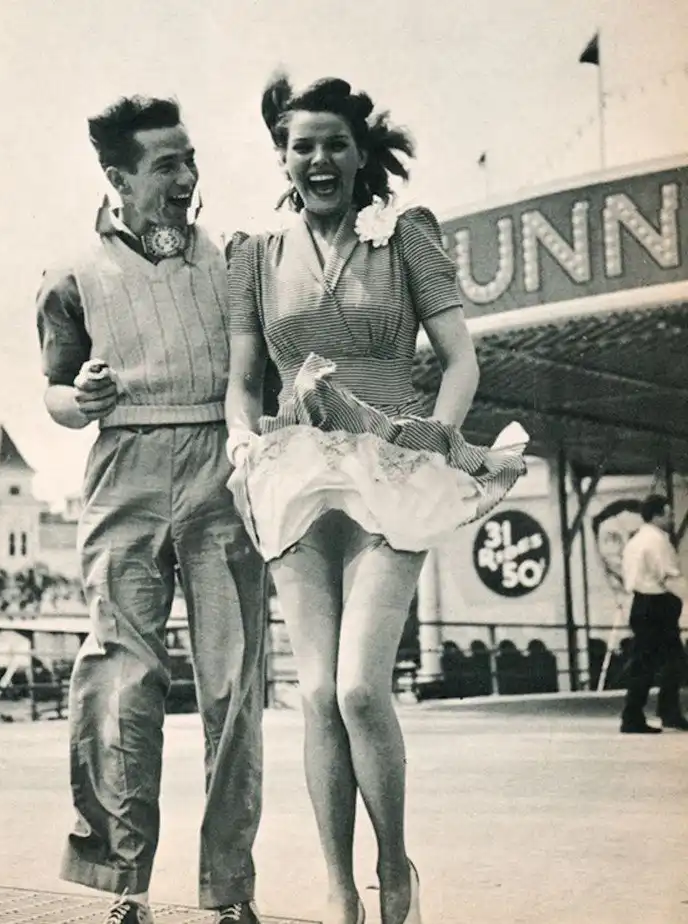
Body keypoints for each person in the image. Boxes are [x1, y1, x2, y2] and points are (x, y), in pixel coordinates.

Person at [224, 74, 527, 924]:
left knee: (361, 688)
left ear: (361, 155)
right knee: (317, 693)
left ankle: (395, 868)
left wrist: (437, 437)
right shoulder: (253, 256)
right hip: (294, 476)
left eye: (336, 145)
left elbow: (462, 361)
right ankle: (338, 887)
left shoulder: (406, 237)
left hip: (390, 472)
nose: (319, 160)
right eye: (303, 146)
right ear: (283, 157)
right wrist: (242, 441)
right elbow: (242, 381)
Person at [36, 95, 266, 924]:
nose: (186, 176)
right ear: (119, 178)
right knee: (120, 675)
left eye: (190, 158)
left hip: (219, 464)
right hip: (124, 464)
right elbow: (55, 393)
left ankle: (230, 892)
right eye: (166, 163)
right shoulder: (71, 275)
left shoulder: (233, 258)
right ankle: (123, 884)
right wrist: (82, 398)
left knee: (233, 682)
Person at [619, 494, 688, 734]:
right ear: (657, 515)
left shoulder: (635, 541)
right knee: (666, 662)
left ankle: (662, 712)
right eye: (668, 513)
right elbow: (668, 576)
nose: (672, 517)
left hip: (641, 603)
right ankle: (641, 715)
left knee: (653, 662)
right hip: (657, 605)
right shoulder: (657, 541)